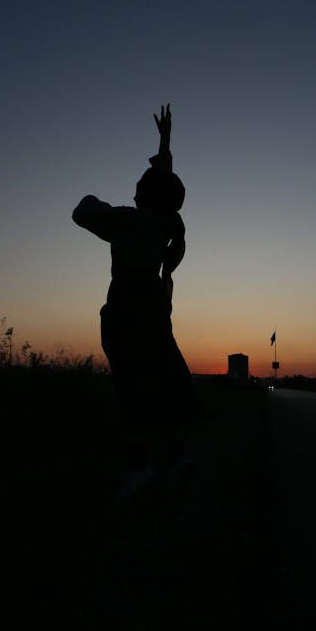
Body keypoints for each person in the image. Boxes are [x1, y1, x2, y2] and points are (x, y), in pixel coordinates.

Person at [72, 104, 197, 500]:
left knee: (132, 388)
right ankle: (176, 459)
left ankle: (140, 468)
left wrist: (92, 197)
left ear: (144, 193)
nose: (137, 182)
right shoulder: (165, 224)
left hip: (127, 310)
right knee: (163, 383)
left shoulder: (131, 220)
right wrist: (165, 140)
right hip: (156, 311)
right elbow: (163, 175)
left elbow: (82, 213)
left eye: (141, 181)